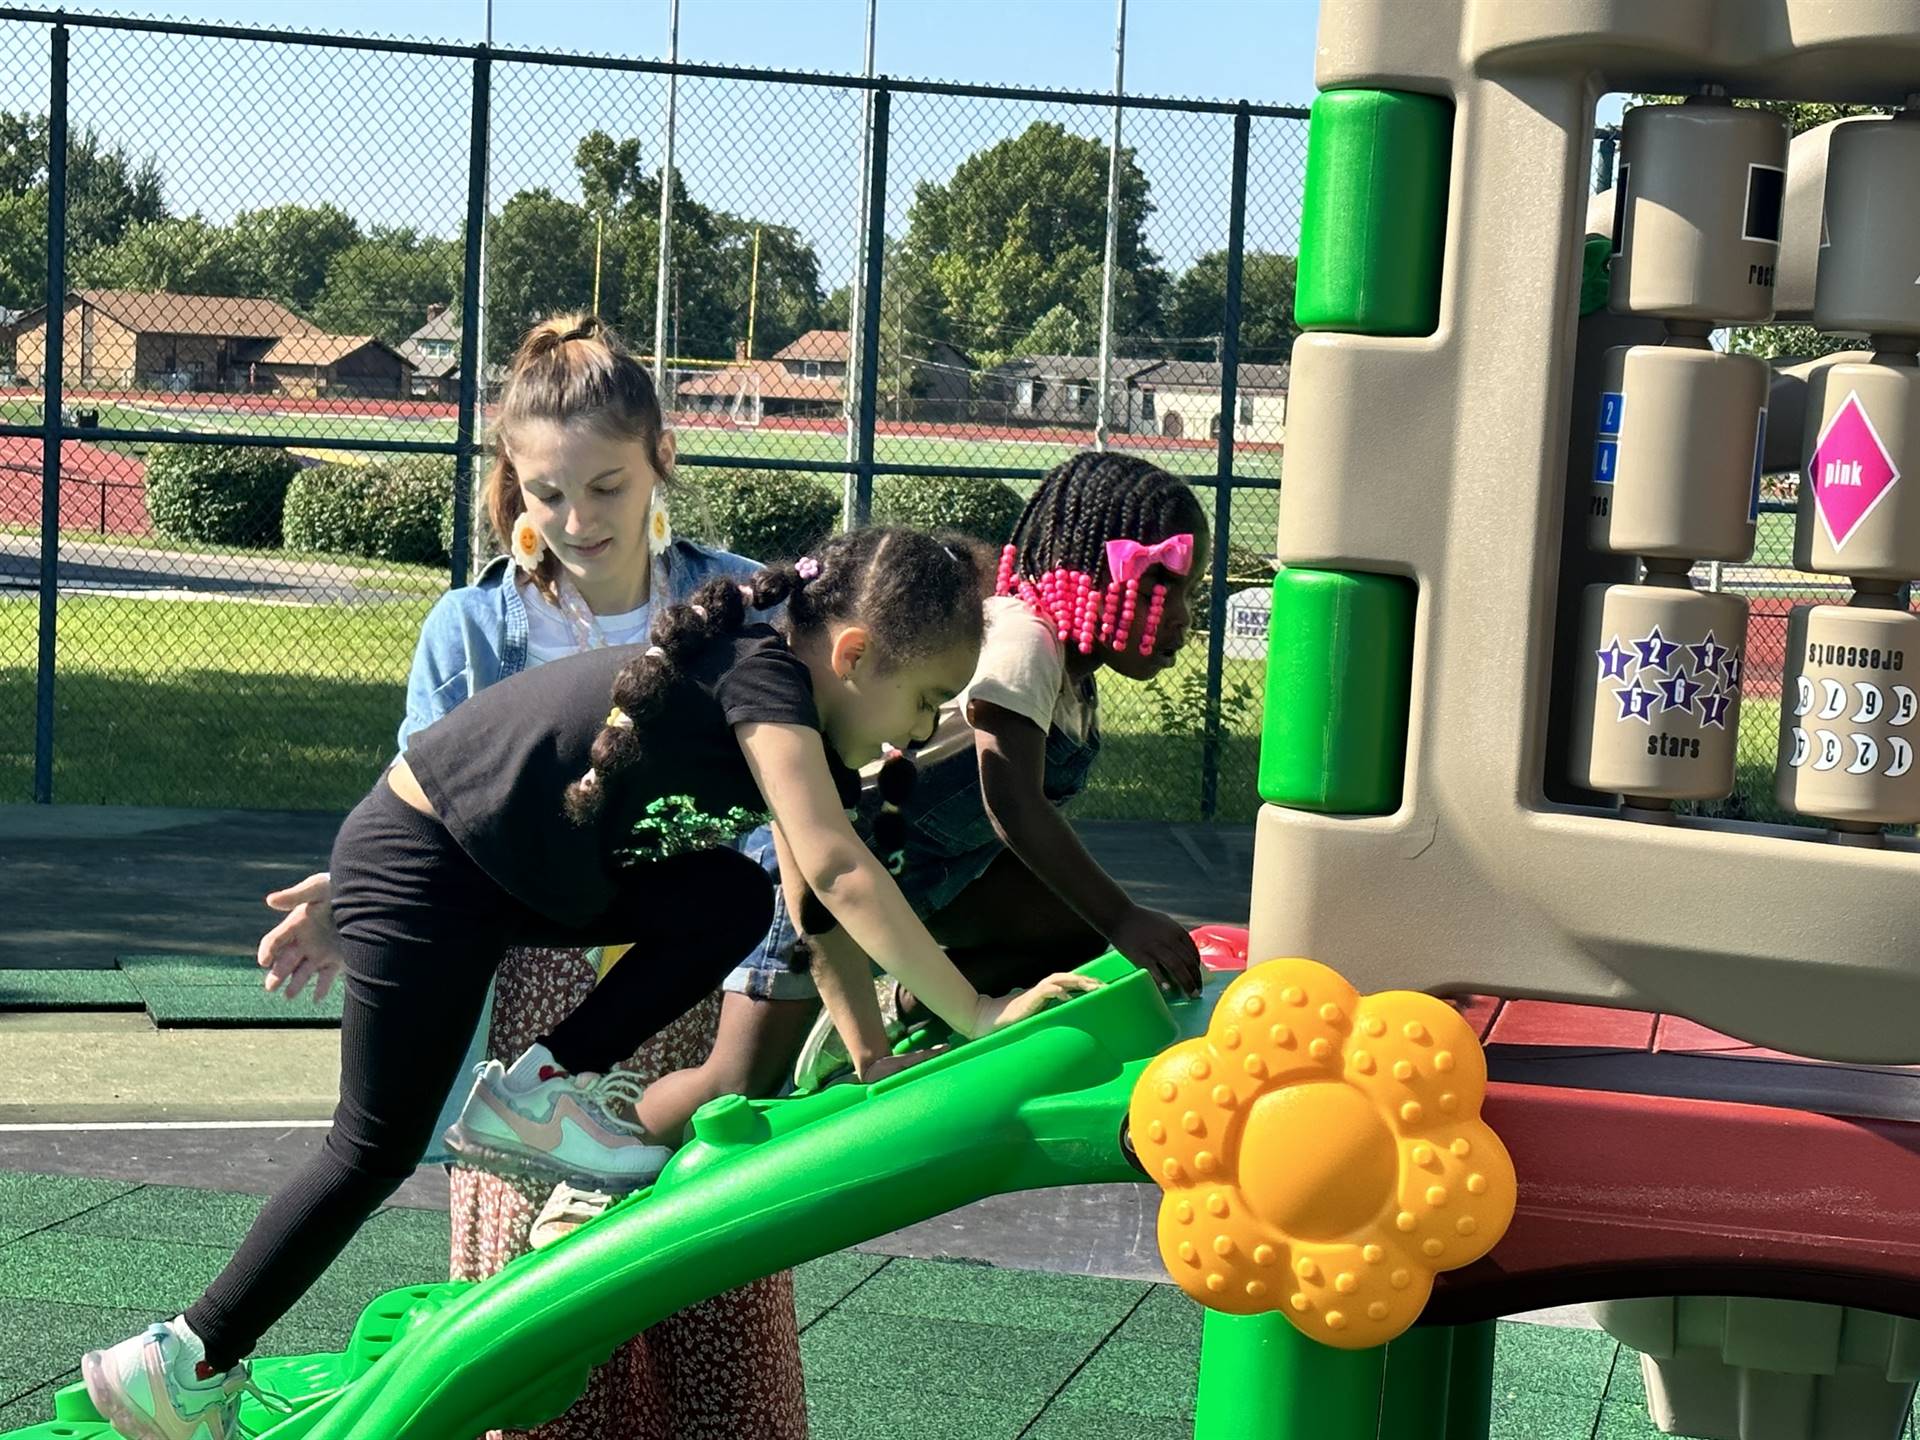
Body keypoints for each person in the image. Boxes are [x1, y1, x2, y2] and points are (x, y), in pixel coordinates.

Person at [253, 312, 816, 1440]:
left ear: (663, 456)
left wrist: (767, 995)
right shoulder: (471, 626)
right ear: (514, 482)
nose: (576, 521)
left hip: (693, 992)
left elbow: (790, 810)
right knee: (541, 1333)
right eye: (547, 494)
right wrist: (345, 893)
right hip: (539, 1018)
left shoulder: (743, 608)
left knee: (713, 1305)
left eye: (605, 488)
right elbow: (428, 808)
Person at [790, 450, 1211, 1085]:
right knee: (735, 1075)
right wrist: (1125, 916)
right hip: (836, 880)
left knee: (1069, 928)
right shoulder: (1026, 640)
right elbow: (1010, 803)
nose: (1181, 615)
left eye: (1191, 590)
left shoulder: (1073, 673)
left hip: (931, 879)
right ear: (1090, 572)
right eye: (1161, 585)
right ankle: (600, 1153)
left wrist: (1105, 918)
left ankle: (906, 1005)